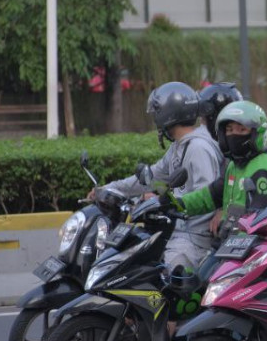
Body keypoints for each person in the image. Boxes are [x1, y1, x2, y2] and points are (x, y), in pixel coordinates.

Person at [95, 82, 223, 275]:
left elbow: (205, 198)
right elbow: (151, 177)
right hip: (178, 230)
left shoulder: (198, 149)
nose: (155, 118)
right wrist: (110, 189)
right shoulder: (179, 147)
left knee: (170, 278)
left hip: (194, 238)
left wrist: (167, 203)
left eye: (157, 112)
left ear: (168, 113)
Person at [176, 100, 267, 235]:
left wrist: (229, 231)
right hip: (233, 243)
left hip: (258, 246)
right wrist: (178, 204)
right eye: (229, 130)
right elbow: (210, 196)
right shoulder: (234, 166)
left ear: (256, 133)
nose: (234, 135)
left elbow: (258, 219)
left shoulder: (261, 169)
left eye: (242, 129)